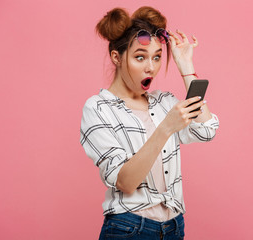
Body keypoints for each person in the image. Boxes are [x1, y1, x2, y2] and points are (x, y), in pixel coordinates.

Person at [80, 6, 219, 240]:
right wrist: (166, 128)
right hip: (129, 228)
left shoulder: (163, 102)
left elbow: (207, 131)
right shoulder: (98, 108)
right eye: (140, 57)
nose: (151, 67)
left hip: (174, 227)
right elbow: (125, 182)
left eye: (156, 57)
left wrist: (185, 65)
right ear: (117, 57)